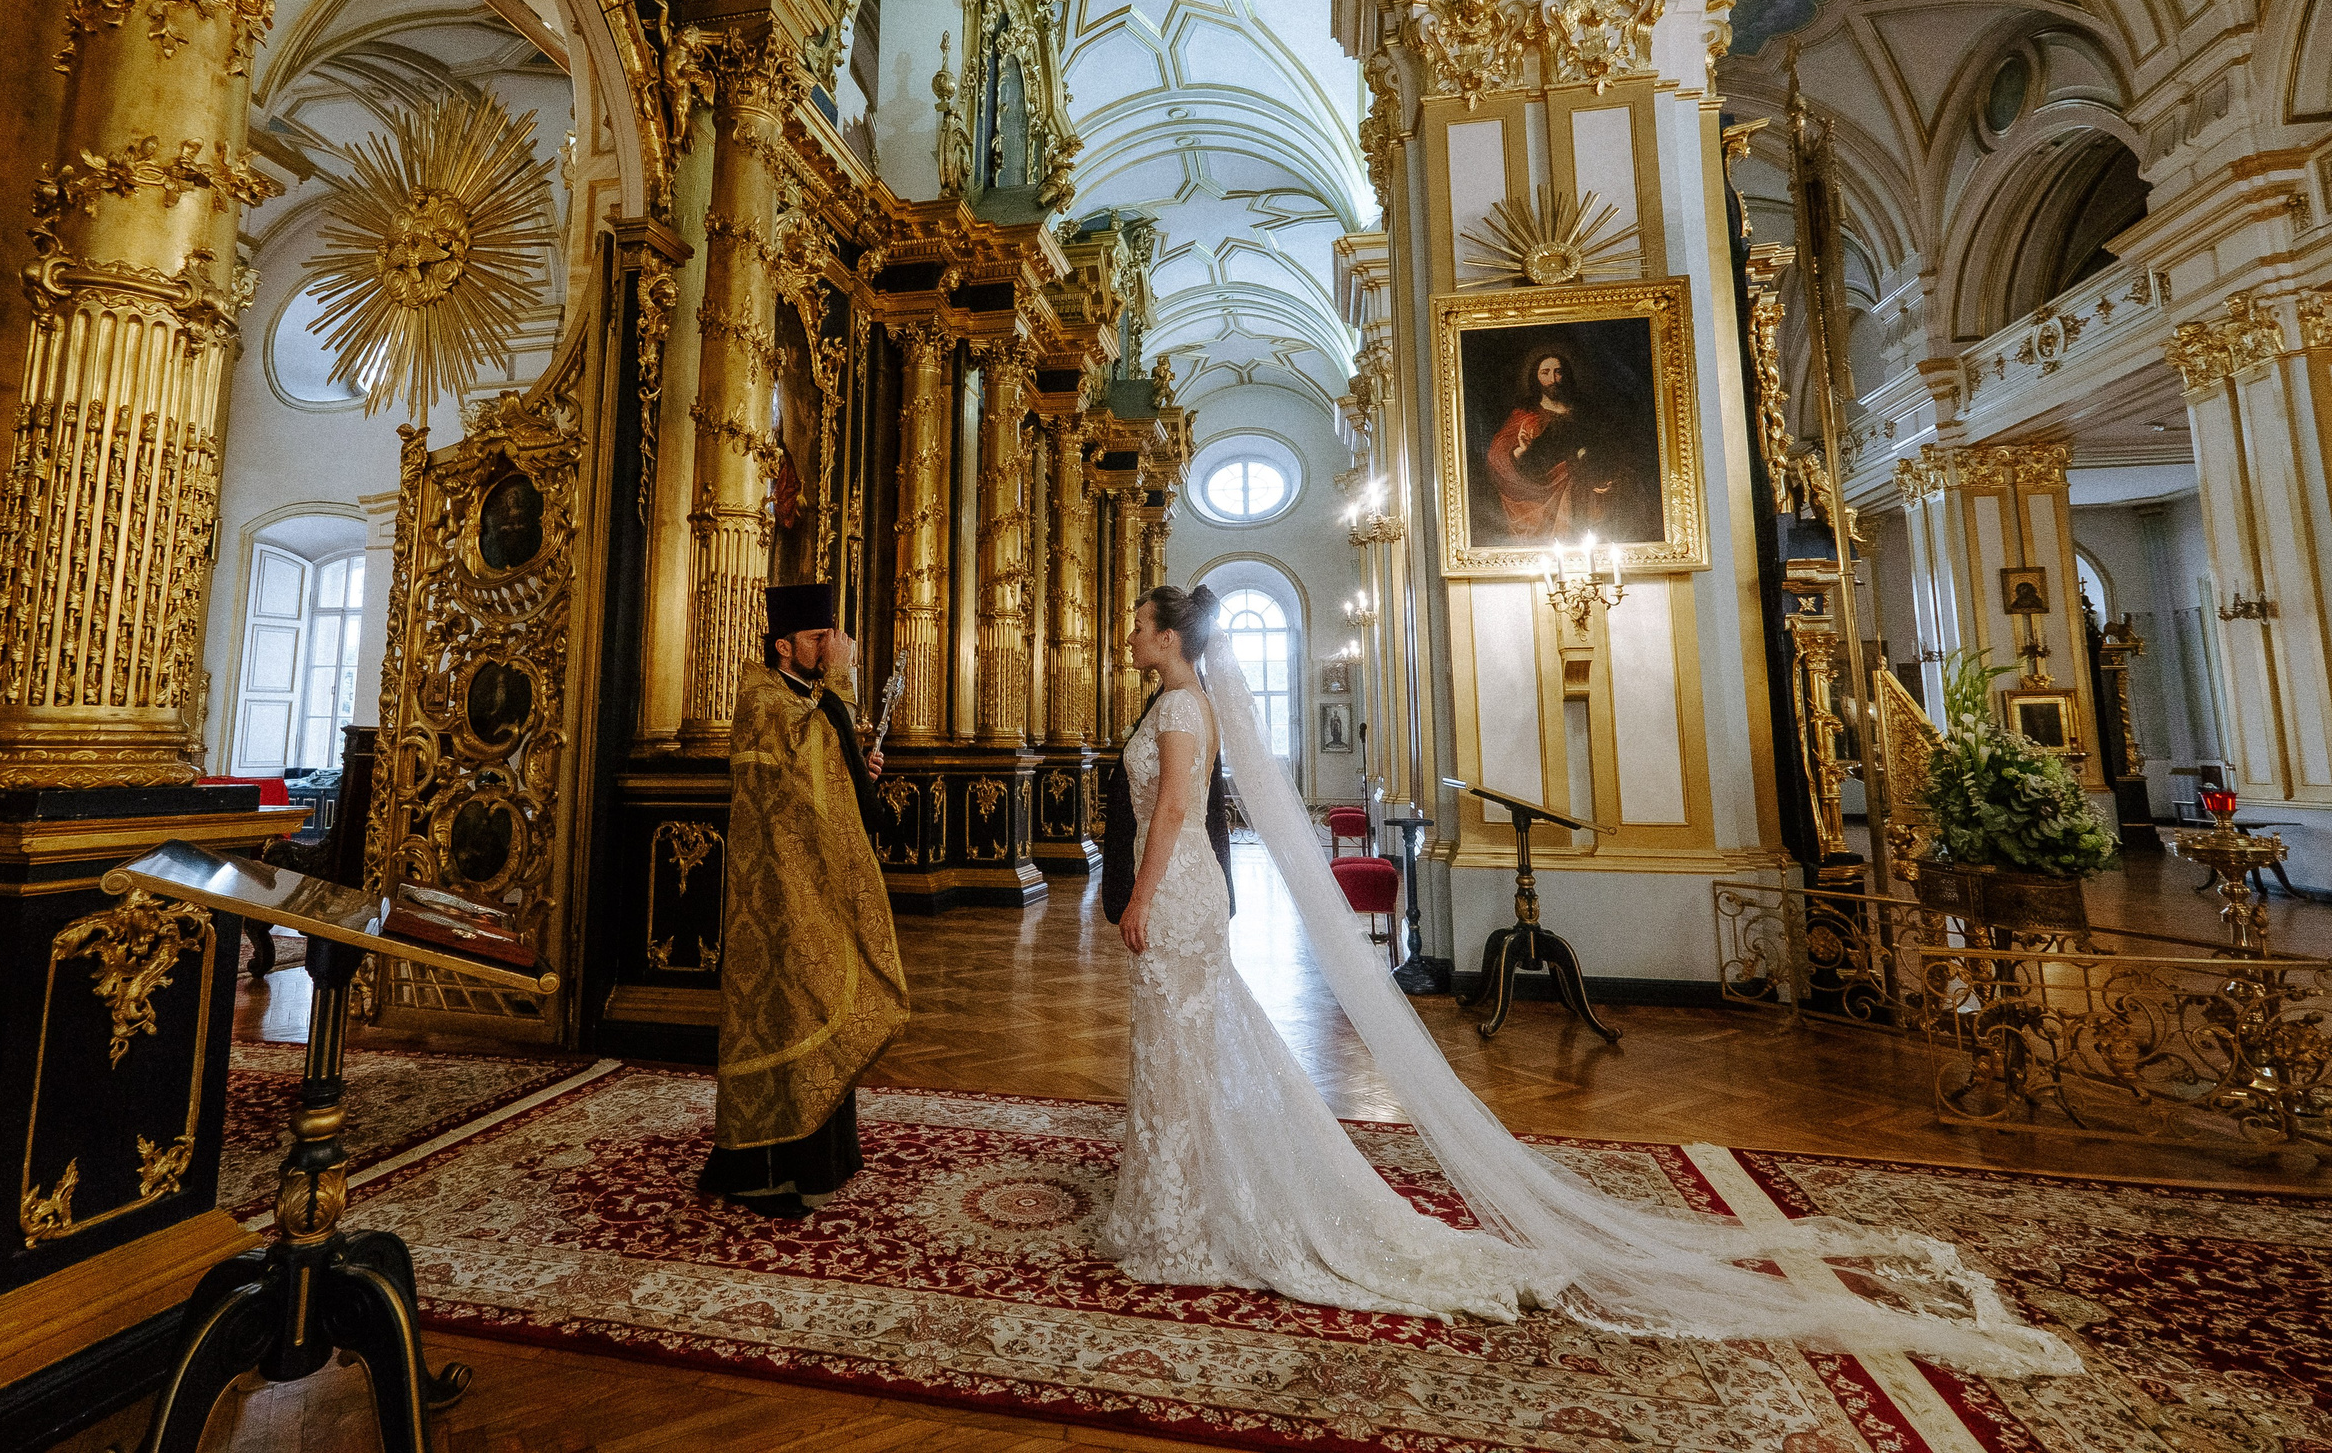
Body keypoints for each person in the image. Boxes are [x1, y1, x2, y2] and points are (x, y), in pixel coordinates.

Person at [1102, 583, 2079, 1375]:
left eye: (1137, 624)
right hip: (1182, 888)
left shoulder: (1184, 705)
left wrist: (1142, 897)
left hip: (1180, 889)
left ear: (1168, 636)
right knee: (1188, 1044)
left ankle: (1194, 1205)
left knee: (1189, 1041)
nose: (1127, 634)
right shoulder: (1176, 699)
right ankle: (1186, 1192)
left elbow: (1180, 810)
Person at [696, 582, 903, 1217]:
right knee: (789, 1011)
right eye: (818, 639)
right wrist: (842, 685)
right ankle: (766, 1173)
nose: (829, 646)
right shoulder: (763, 700)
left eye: (829, 638)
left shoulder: (809, 700)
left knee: (823, 1003)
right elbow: (793, 787)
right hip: (780, 896)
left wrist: (856, 771)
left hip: (821, 885)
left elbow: (829, 780)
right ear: (785, 646)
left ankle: (827, 1158)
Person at [1484, 344, 1619, 543]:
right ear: (1536, 377)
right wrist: (1520, 452)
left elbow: (1609, 451)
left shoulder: (1587, 413)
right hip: (1543, 502)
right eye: (1545, 373)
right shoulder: (1525, 417)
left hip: (1588, 496)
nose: (1553, 379)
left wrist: (1606, 477)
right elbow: (1497, 460)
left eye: (1558, 372)